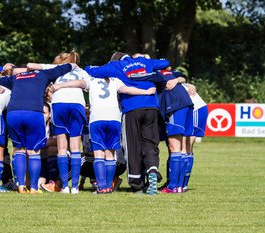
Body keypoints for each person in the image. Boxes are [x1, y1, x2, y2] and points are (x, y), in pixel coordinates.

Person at [50, 76, 156, 194]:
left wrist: (59, 86)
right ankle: (108, 187)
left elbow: (79, 82)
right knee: (110, 155)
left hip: (97, 119)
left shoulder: (92, 80)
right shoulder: (115, 80)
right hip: (114, 119)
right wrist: (146, 91)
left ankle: (101, 188)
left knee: (99, 155)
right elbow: (127, 90)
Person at [85, 52, 169, 194]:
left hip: (131, 108)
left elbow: (92, 70)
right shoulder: (145, 62)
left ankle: (136, 184)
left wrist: (91, 66)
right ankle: (152, 170)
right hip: (152, 107)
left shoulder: (116, 66)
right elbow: (165, 62)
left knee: (132, 146)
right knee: (150, 143)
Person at [0, 62, 77, 194]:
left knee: (19, 150)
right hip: (33, 112)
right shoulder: (43, 74)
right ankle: (34, 188)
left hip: (13, 113)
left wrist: (6, 71)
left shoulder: (16, 78)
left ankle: (21, 186)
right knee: (33, 152)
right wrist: (73, 65)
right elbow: (64, 68)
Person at [20, 51, 89, 194]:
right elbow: (84, 84)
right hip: (77, 104)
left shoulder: (55, 69)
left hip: (59, 104)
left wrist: (58, 85)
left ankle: (64, 187)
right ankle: (74, 187)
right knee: (75, 146)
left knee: (62, 147)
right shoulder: (81, 71)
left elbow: (30, 65)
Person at [181, 83, 208, 191]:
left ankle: (183, 183)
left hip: (195, 109)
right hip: (189, 109)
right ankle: (181, 183)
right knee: (183, 147)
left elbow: (180, 78)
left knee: (186, 146)